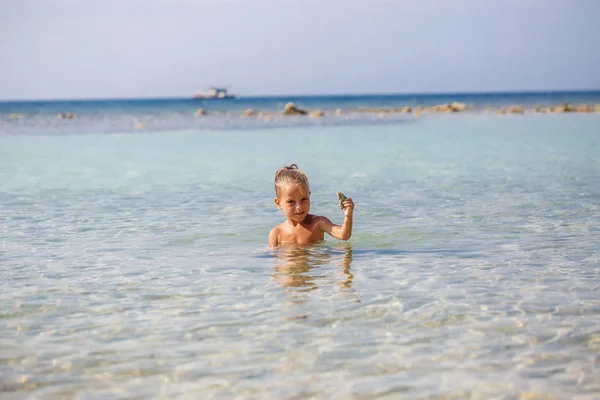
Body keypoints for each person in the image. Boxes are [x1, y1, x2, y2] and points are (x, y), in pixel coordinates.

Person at [269, 164, 354, 247]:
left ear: (309, 195)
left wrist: (348, 216)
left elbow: (344, 236)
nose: (299, 207)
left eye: (304, 199)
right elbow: (273, 258)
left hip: (315, 260)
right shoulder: (276, 233)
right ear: (278, 203)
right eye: (291, 201)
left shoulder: (318, 223)